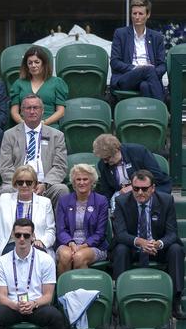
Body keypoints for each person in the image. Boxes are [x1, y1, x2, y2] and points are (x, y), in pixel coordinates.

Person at [111, 169, 184, 315]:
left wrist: (158, 244)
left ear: (153, 188)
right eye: (136, 188)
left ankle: (176, 301)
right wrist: (140, 242)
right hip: (133, 248)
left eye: (144, 189)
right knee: (120, 249)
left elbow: (172, 233)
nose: (139, 192)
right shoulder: (121, 201)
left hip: (158, 248)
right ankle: (119, 299)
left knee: (176, 249)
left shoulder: (166, 200)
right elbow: (120, 234)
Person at [0, 216, 68, 329]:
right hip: (12, 306)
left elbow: (48, 296)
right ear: (13, 235)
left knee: (56, 317)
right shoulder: (1, 262)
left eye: (26, 235)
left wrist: (33, 304)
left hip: (37, 306)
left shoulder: (46, 260)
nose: (22, 239)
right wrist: (16, 306)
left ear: (33, 236)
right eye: (18, 235)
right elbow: (2, 297)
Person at [0, 95, 69, 209]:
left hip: (45, 184)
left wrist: (45, 184)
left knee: (62, 190)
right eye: (28, 108)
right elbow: (5, 167)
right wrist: (21, 184)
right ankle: (9, 227)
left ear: (42, 111)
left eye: (36, 108)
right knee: (5, 191)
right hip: (18, 184)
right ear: (21, 111)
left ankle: (59, 227)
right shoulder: (9, 135)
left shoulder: (56, 135)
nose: (32, 111)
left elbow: (60, 166)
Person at [110, 0, 167, 101]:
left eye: (140, 13)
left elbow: (162, 65)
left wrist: (151, 73)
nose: (137, 17)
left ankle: (147, 116)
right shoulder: (120, 34)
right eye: (134, 13)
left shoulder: (156, 37)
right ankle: (162, 109)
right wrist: (137, 69)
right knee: (148, 70)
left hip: (149, 79)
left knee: (145, 86)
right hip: (126, 78)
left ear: (148, 14)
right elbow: (114, 62)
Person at [55, 164, 109, 273]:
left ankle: (83, 289)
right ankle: (65, 289)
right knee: (65, 256)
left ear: (92, 181)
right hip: (68, 244)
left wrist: (83, 246)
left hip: (94, 245)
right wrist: (71, 243)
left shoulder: (101, 201)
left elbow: (100, 233)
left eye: (85, 179)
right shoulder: (64, 201)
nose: (81, 182)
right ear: (73, 183)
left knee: (79, 257)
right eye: (78, 179)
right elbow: (60, 230)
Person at [92, 134, 172, 205]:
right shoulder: (103, 165)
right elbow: (107, 191)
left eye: (107, 158)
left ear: (117, 150)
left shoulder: (138, 152)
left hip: (147, 189)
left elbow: (157, 177)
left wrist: (133, 187)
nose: (105, 162)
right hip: (124, 197)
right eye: (103, 159)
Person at [9, 45, 68, 126]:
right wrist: (23, 124)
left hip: (49, 127)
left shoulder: (57, 82)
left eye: (37, 62)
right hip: (24, 127)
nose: (33, 65)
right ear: (26, 65)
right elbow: (14, 112)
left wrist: (43, 123)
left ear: (44, 63)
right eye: (30, 63)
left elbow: (61, 112)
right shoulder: (18, 83)